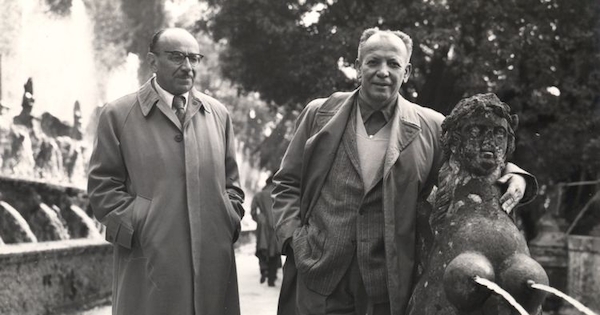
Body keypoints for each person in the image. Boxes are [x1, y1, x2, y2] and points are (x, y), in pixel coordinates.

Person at [272, 28, 537, 315]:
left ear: (407, 71)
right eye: (373, 62)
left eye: (393, 64)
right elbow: (287, 182)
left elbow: (475, 162)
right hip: (319, 277)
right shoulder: (319, 115)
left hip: (387, 285)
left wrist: (517, 174)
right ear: (358, 67)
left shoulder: (433, 127)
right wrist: (292, 239)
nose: (382, 71)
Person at [87, 28, 245, 315]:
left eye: (194, 58)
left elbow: (232, 184)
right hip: (147, 260)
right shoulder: (117, 114)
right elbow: (102, 189)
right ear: (152, 61)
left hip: (213, 259)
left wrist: (228, 218)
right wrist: (140, 224)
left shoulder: (218, 114)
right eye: (176, 57)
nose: (188, 67)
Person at [251, 175, 282, 287]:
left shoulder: (259, 195)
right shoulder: (278, 194)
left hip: (263, 227)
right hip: (276, 225)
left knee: (262, 249)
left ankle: (264, 269)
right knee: (274, 253)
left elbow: (253, 211)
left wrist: (259, 219)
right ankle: (271, 279)